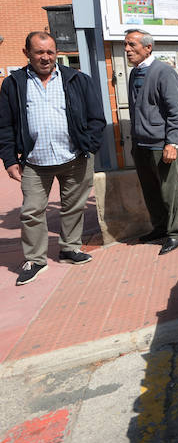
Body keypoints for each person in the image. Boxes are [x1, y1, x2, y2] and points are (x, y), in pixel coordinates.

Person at [0, 32, 106, 285]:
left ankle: (70, 248)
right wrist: (9, 160)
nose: (45, 58)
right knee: (31, 211)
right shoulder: (13, 84)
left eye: (50, 52)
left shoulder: (77, 79)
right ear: (27, 53)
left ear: (56, 52)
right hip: (35, 163)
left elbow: (96, 118)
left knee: (74, 206)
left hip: (75, 157)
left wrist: (89, 146)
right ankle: (35, 260)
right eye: (39, 52)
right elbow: (4, 126)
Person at [125, 29, 178, 255]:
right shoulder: (134, 73)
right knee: (151, 190)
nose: (127, 49)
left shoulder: (163, 72)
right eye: (126, 45)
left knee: (170, 190)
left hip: (161, 144)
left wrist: (172, 142)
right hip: (140, 144)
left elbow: (176, 111)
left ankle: (176, 232)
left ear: (148, 47)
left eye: (132, 45)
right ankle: (160, 228)